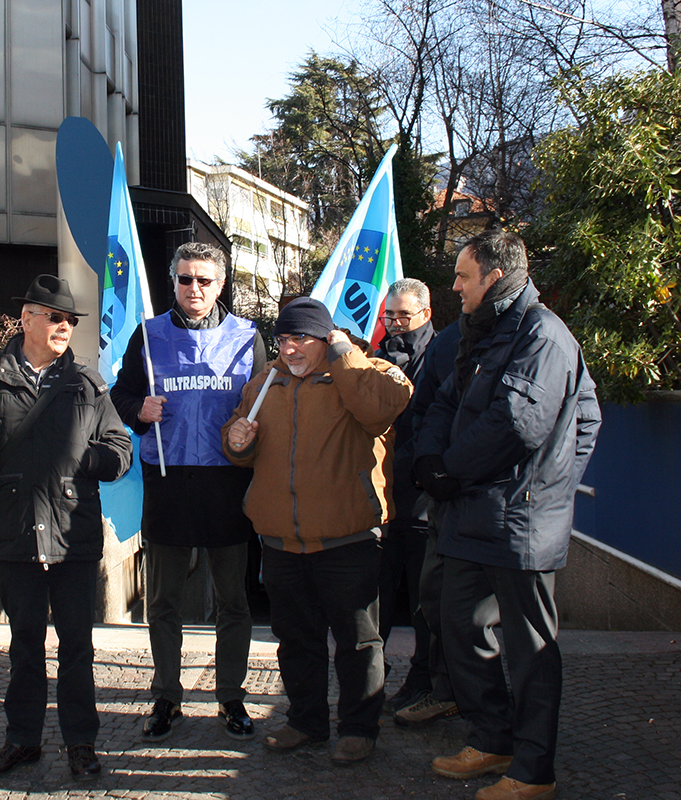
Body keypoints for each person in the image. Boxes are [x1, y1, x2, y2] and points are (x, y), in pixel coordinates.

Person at [414, 229, 599, 800]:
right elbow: (445, 400)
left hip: (520, 522)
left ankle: (533, 770)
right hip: (472, 513)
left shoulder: (543, 335)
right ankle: (492, 738)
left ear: (495, 277)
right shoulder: (482, 330)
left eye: (462, 276)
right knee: (457, 624)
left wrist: (453, 471)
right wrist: (429, 459)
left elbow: (518, 424)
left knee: (531, 649)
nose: (455, 286)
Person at [0, 274, 132, 782]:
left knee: (77, 648)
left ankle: (81, 743)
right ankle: (22, 740)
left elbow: (120, 449)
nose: (64, 327)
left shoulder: (87, 384)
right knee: (24, 646)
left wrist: (86, 458)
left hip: (73, 537)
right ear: (26, 319)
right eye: (55, 317)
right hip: (13, 533)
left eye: (70, 320)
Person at [221, 297, 412, 766]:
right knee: (296, 640)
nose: (289, 349)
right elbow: (242, 442)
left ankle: (359, 729)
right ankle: (306, 721)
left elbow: (380, 410)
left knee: (358, 642)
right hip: (280, 541)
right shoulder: (265, 383)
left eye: (301, 338)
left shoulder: (366, 372)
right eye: (283, 339)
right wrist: (236, 442)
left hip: (348, 538)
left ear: (327, 337)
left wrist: (344, 354)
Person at [108, 242, 266, 742]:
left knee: (233, 601)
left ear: (221, 284)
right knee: (164, 603)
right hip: (168, 481)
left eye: (203, 280)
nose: (193, 288)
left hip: (227, 483)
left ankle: (231, 696)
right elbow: (120, 391)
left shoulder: (247, 337)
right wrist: (138, 410)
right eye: (184, 279)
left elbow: (267, 404)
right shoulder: (149, 334)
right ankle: (166, 697)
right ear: (173, 282)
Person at [373, 278, 446, 720]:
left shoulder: (443, 354)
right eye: (390, 315)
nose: (397, 323)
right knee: (375, 599)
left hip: (423, 501)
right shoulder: (377, 355)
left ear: (426, 313)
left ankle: (425, 683)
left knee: (425, 604)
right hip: (380, 500)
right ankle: (371, 682)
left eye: (404, 315)